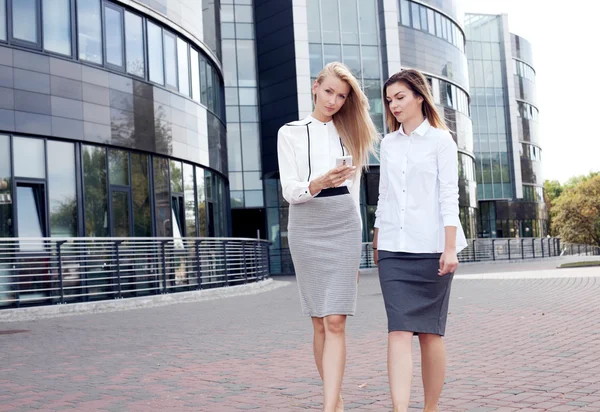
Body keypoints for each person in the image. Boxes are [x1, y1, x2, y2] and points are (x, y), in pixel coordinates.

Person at [277, 61, 379, 412]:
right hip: (305, 223)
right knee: (320, 321)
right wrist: (317, 183)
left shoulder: (350, 133)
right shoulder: (289, 132)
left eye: (342, 95)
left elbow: (354, 196)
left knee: (336, 320)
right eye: (330, 91)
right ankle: (334, 400)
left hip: (342, 224)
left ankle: (328, 407)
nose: (334, 100)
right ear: (315, 87)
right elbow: (290, 190)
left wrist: (356, 252)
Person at [372, 69, 468, 412]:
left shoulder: (442, 140)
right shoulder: (388, 143)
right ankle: (400, 409)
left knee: (430, 333)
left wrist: (450, 246)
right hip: (394, 250)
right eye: (388, 100)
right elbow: (384, 195)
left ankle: (430, 408)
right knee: (397, 330)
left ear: (419, 97)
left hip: (432, 250)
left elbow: (448, 196)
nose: (393, 105)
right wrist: (377, 238)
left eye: (399, 97)